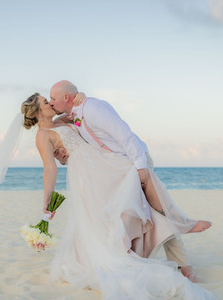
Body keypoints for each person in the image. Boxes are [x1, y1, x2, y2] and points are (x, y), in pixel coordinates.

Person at [20, 92, 218, 300]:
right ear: (38, 112)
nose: (50, 103)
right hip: (87, 173)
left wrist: (81, 99)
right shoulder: (42, 136)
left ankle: (179, 226)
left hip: (101, 162)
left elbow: (81, 123)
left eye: (50, 100)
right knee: (116, 204)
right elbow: (50, 167)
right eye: (45, 102)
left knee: (133, 189)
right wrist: (47, 197)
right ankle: (179, 226)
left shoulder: (60, 121)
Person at [49, 80, 211, 283]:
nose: (51, 102)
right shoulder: (77, 114)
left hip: (134, 163)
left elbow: (124, 134)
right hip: (118, 170)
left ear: (66, 97)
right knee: (139, 216)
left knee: (160, 213)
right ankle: (177, 258)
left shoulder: (93, 108)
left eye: (53, 98)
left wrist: (141, 166)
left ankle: (184, 236)